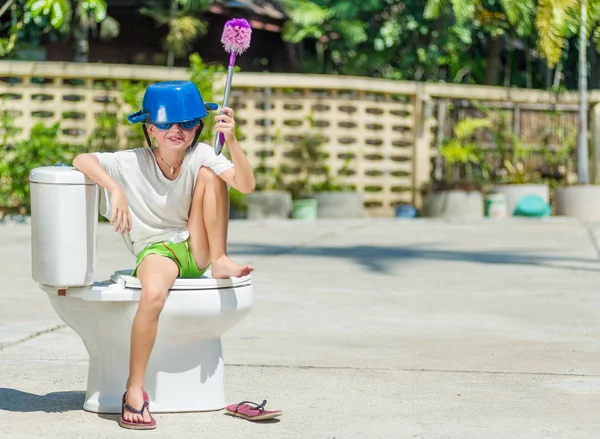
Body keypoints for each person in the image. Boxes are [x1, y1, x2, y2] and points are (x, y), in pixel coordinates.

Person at [72, 80, 256, 430]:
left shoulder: (201, 154)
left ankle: (220, 259)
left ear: (198, 127)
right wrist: (114, 190)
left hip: (196, 246)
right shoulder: (131, 162)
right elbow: (81, 159)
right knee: (153, 295)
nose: (178, 131)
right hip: (158, 250)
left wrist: (231, 140)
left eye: (188, 123)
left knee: (212, 175)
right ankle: (134, 390)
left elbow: (245, 185)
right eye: (168, 124)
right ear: (150, 128)